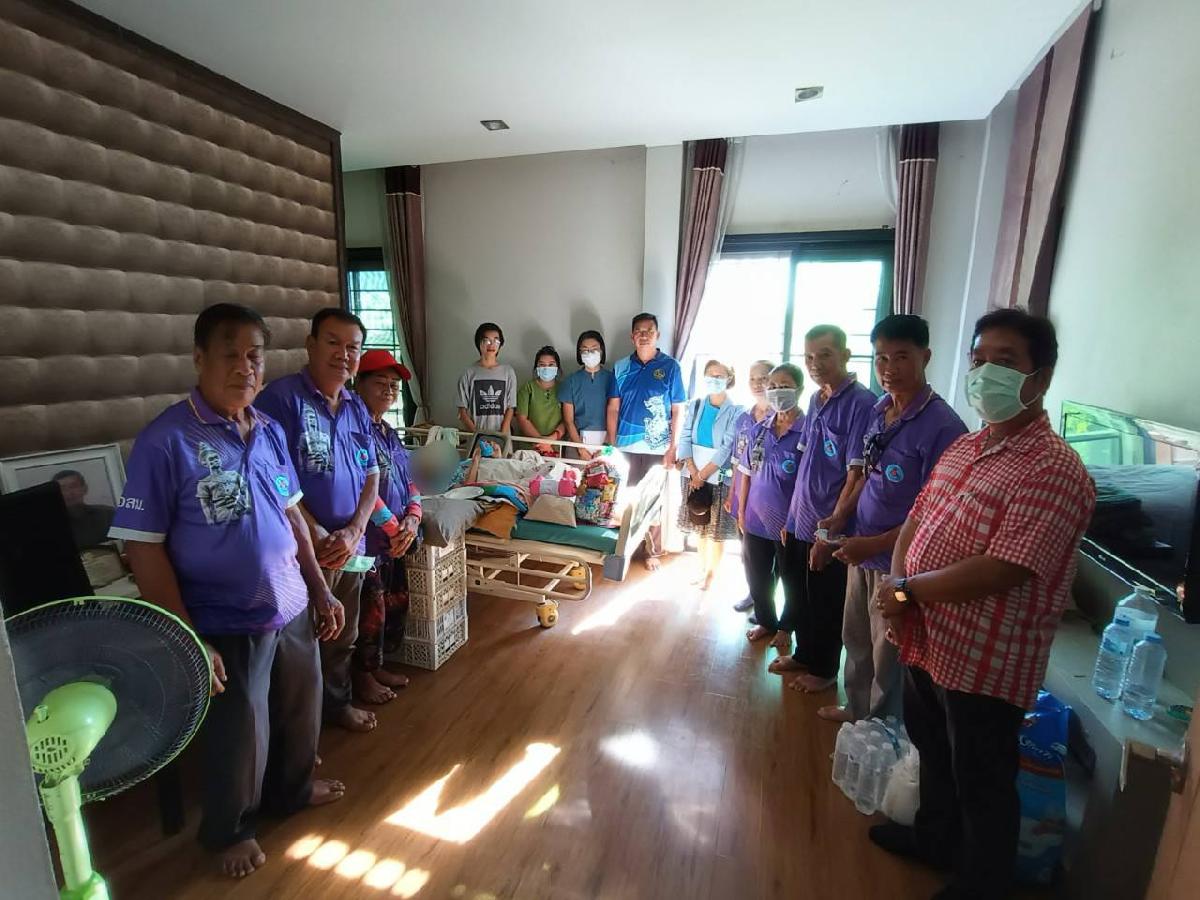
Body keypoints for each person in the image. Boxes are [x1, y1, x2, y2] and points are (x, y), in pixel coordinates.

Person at [108, 303, 346, 879]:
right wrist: (187, 636)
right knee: (241, 731)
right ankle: (231, 828)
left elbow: (294, 519)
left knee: (300, 708)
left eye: (254, 356)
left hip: (290, 602)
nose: (245, 367)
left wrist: (320, 590)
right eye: (230, 355)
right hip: (225, 615)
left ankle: (292, 791)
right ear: (199, 358)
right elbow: (143, 547)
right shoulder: (166, 440)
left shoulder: (268, 431)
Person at [871, 309, 1095, 900]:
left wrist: (906, 591)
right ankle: (935, 839)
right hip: (925, 637)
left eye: (1005, 361)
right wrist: (898, 584)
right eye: (979, 360)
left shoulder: (1054, 469)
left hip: (984, 660)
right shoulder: (968, 447)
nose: (986, 372)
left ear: (1040, 378)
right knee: (933, 751)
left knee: (983, 779)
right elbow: (916, 519)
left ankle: (980, 884)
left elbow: (1005, 567)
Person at [814, 315, 967, 724]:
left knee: (890, 650)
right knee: (856, 638)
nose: (889, 368)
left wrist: (876, 544)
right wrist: (840, 518)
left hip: (901, 571)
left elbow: (934, 515)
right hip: (860, 552)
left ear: (925, 357)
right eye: (881, 358)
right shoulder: (881, 411)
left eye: (901, 357)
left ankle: (882, 732)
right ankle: (857, 712)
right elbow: (866, 473)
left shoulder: (943, 427)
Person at [256, 308, 380, 734]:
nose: (343, 355)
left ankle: (336, 707)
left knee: (343, 636)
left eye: (353, 348)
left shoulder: (356, 406)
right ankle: (299, 736)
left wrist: (355, 530)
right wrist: (318, 531)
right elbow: (272, 480)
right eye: (333, 343)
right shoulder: (280, 400)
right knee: (301, 644)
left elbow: (372, 474)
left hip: (351, 547)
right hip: (303, 551)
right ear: (310, 345)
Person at [775, 325, 876, 692]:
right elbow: (804, 462)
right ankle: (804, 654)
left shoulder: (862, 404)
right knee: (799, 593)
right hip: (800, 517)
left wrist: (828, 533)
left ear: (846, 356)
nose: (815, 363)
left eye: (825, 355)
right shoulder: (817, 400)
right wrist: (790, 517)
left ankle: (824, 669)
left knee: (826, 599)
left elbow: (856, 475)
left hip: (831, 523)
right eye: (809, 357)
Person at [353, 349, 423, 705]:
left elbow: (409, 480)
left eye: (394, 385)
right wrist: (395, 528)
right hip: (371, 539)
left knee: (392, 605)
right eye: (380, 383)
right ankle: (361, 676)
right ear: (359, 384)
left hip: (396, 536)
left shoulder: (389, 432)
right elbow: (359, 487)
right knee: (369, 611)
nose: (389, 390)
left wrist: (413, 517)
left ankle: (377, 666)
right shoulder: (354, 430)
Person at [739, 364, 805, 651]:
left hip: (790, 522)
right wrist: (741, 512)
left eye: (784, 386)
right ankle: (766, 620)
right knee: (757, 575)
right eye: (773, 386)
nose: (777, 392)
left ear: (800, 390)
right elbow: (745, 473)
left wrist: (793, 521)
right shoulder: (759, 430)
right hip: (755, 518)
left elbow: (808, 483)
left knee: (791, 578)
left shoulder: (808, 431)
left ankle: (787, 627)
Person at [614, 313, 686, 570]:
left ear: (657, 335)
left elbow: (678, 409)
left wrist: (673, 447)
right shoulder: (621, 367)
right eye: (639, 331)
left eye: (649, 331)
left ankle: (652, 551)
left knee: (654, 500)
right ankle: (625, 547)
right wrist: (612, 443)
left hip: (658, 446)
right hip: (625, 445)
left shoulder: (671, 367)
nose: (644, 335)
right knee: (625, 498)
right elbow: (613, 407)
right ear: (632, 336)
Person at [676, 359, 744, 590]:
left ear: (729, 378)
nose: (714, 379)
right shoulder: (696, 405)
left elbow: (727, 446)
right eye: (710, 374)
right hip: (692, 473)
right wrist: (693, 471)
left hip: (718, 475)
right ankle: (701, 568)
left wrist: (702, 474)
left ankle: (711, 574)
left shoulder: (736, 410)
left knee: (715, 529)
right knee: (699, 523)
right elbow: (685, 436)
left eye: (719, 375)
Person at [729, 359, 775, 613]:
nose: (757, 384)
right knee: (748, 551)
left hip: (771, 499)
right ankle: (754, 594)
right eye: (753, 379)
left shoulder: (782, 418)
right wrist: (732, 494)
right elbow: (736, 461)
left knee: (772, 556)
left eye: (763, 378)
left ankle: (768, 605)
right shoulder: (743, 419)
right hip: (743, 496)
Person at [560, 330, 620, 459]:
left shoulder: (612, 379)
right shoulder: (571, 381)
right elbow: (568, 420)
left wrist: (607, 446)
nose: (589, 353)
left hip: (607, 441)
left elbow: (616, 413)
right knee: (574, 472)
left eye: (594, 349)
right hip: (577, 442)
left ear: (602, 351)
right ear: (579, 352)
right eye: (585, 350)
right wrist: (581, 449)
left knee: (606, 472)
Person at [457, 322, 517, 434]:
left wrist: (501, 436)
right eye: (486, 341)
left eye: (496, 341)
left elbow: (511, 408)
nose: (491, 345)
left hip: (502, 437)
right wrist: (478, 436)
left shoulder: (508, 372)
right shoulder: (468, 373)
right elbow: (462, 412)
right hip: (477, 437)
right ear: (479, 343)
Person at [514, 345, 566, 453]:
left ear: (557, 368)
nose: (546, 368)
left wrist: (552, 439)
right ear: (536, 368)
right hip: (529, 448)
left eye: (551, 364)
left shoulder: (564, 389)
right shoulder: (527, 388)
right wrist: (541, 442)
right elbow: (522, 419)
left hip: (555, 448)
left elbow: (567, 420)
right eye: (542, 365)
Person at [52, 469, 114, 550]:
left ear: (85, 488)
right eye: (62, 489)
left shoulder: (108, 515)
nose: (68, 493)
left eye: (73, 486)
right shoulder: (51, 525)